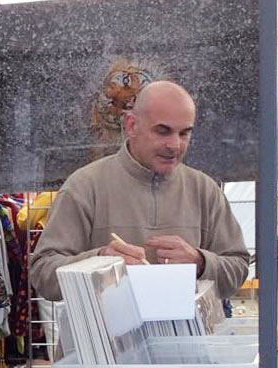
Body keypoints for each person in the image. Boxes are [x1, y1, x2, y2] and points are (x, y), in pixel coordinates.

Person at [29, 80, 250, 302]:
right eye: (163, 132)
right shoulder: (84, 186)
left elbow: (238, 267)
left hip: (185, 337)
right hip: (104, 337)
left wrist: (201, 263)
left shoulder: (205, 190)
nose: (174, 145)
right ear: (131, 125)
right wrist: (98, 262)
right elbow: (42, 272)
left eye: (184, 134)